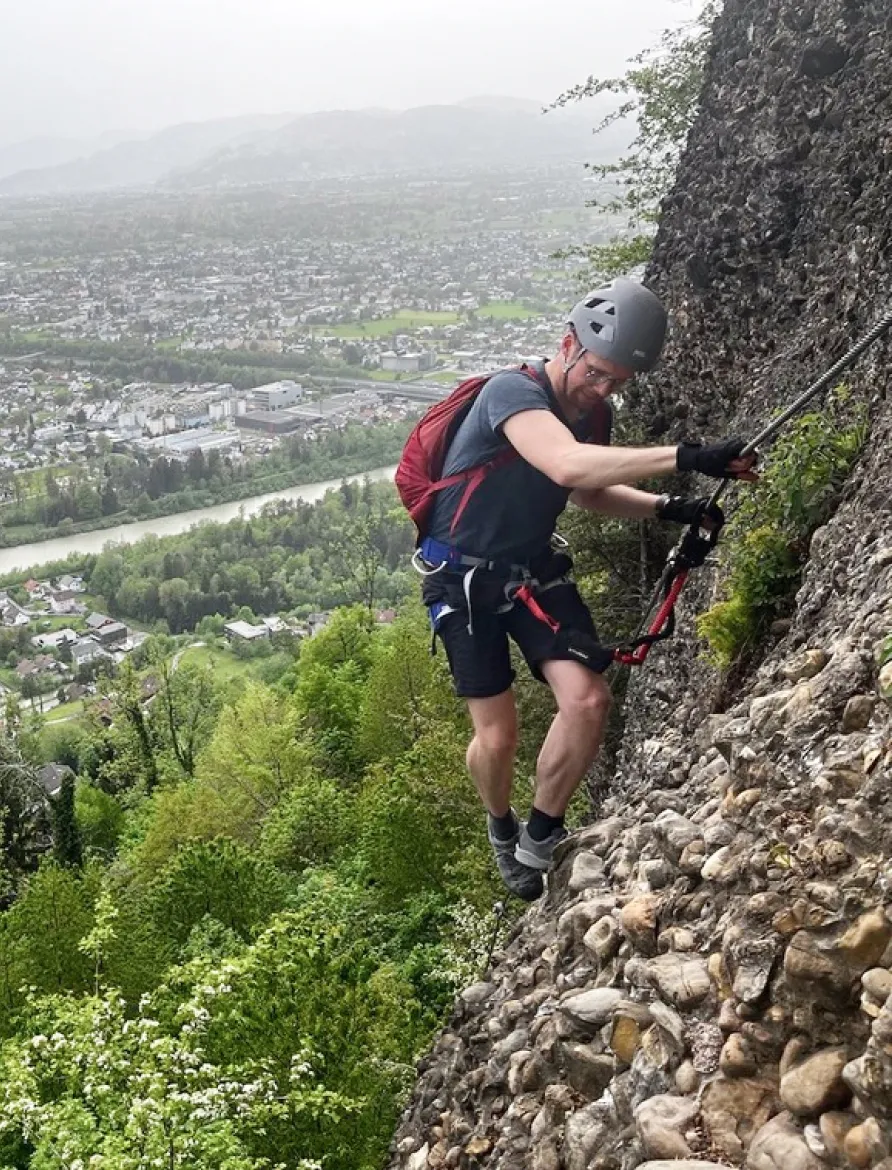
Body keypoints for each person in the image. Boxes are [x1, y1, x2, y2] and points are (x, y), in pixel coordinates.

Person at [416, 277, 758, 901]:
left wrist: (670, 508)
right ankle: (501, 826)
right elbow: (567, 465)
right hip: (462, 579)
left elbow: (586, 492)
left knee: (590, 701)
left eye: (617, 382)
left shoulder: (591, 411)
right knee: (497, 737)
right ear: (567, 341)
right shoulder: (511, 393)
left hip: (532, 570)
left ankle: (540, 834)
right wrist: (688, 455)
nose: (603, 390)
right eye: (598, 373)